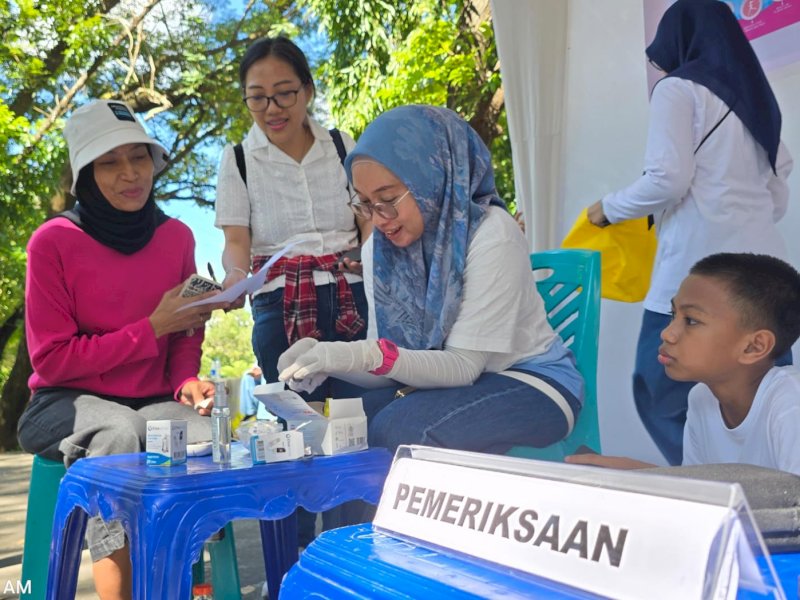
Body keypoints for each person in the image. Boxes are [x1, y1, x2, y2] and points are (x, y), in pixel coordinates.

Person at [278, 104, 584, 457]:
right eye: (365, 203)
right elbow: (389, 365)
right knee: (345, 426)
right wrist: (325, 357)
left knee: (400, 428)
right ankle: (358, 517)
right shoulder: (378, 249)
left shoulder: (489, 234)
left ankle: (405, 515)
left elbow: (462, 366)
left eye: (389, 199)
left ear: (433, 177)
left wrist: (359, 354)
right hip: (451, 384)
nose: (379, 219)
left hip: (533, 383)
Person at [16, 99, 228, 600]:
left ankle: (188, 584)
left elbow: (184, 332)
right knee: (120, 433)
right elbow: (52, 359)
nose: (131, 174)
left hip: (150, 399)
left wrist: (186, 381)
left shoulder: (175, 235)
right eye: (110, 162)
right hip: (63, 401)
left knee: (208, 437)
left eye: (140, 158)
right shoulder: (53, 241)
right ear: (84, 174)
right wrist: (150, 328)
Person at [585, 0, 793, 465]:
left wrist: (609, 209)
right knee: (766, 398)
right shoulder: (754, 95)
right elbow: (778, 189)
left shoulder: (678, 89)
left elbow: (668, 180)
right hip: (766, 274)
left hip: (697, 270)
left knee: (656, 385)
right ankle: (765, 498)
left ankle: (706, 488)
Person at [214, 35, 369, 402]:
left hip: (354, 293)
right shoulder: (237, 160)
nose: (272, 108)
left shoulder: (341, 144)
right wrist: (235, 277)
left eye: (285, 93)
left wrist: (372, 256)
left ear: (308, 91)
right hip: (280, 303)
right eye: (257, 97)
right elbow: (237, 242)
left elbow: (367, 219)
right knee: (301, 425)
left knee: (364, 414)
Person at [567, 253, 800, 476]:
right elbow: (706, 496)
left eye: (691, 321)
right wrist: (646, 479)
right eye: (672, 314)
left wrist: (657, 478)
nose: (667, 334)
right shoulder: (702, 398)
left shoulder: (790, 403)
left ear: (754, 347)